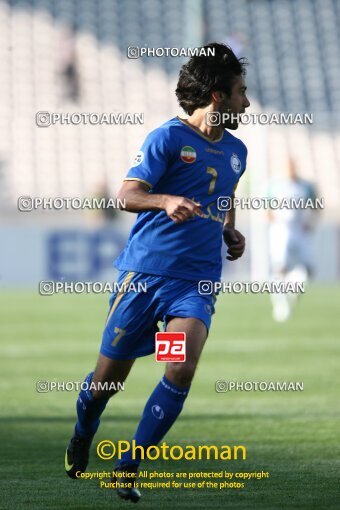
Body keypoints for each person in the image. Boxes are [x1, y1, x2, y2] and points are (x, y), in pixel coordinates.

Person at [65, 42, 250, 503]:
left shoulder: (237, 151)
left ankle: (128, 466)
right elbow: (126, 195)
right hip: (145, 279)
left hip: (193, 285)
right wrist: (165, 200)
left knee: (180, 366)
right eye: (241, 92)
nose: (247, 102)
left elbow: (224, 194)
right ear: (217, 98)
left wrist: (230, 229)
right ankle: (85, 427)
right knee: (108, 381)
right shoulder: (166, 139)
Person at [268, 158, 319, 321]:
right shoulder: (275, 186)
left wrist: (310, 222)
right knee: (280, 267)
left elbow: (316, 205)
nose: (290, 169)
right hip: (280, 230)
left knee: (308, 269)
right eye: (287, 166)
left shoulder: (305, 186)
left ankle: (293, 286)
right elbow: (266, 209)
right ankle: (280, 304)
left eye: (292, 166)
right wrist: (274, 221)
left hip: (299, 230)